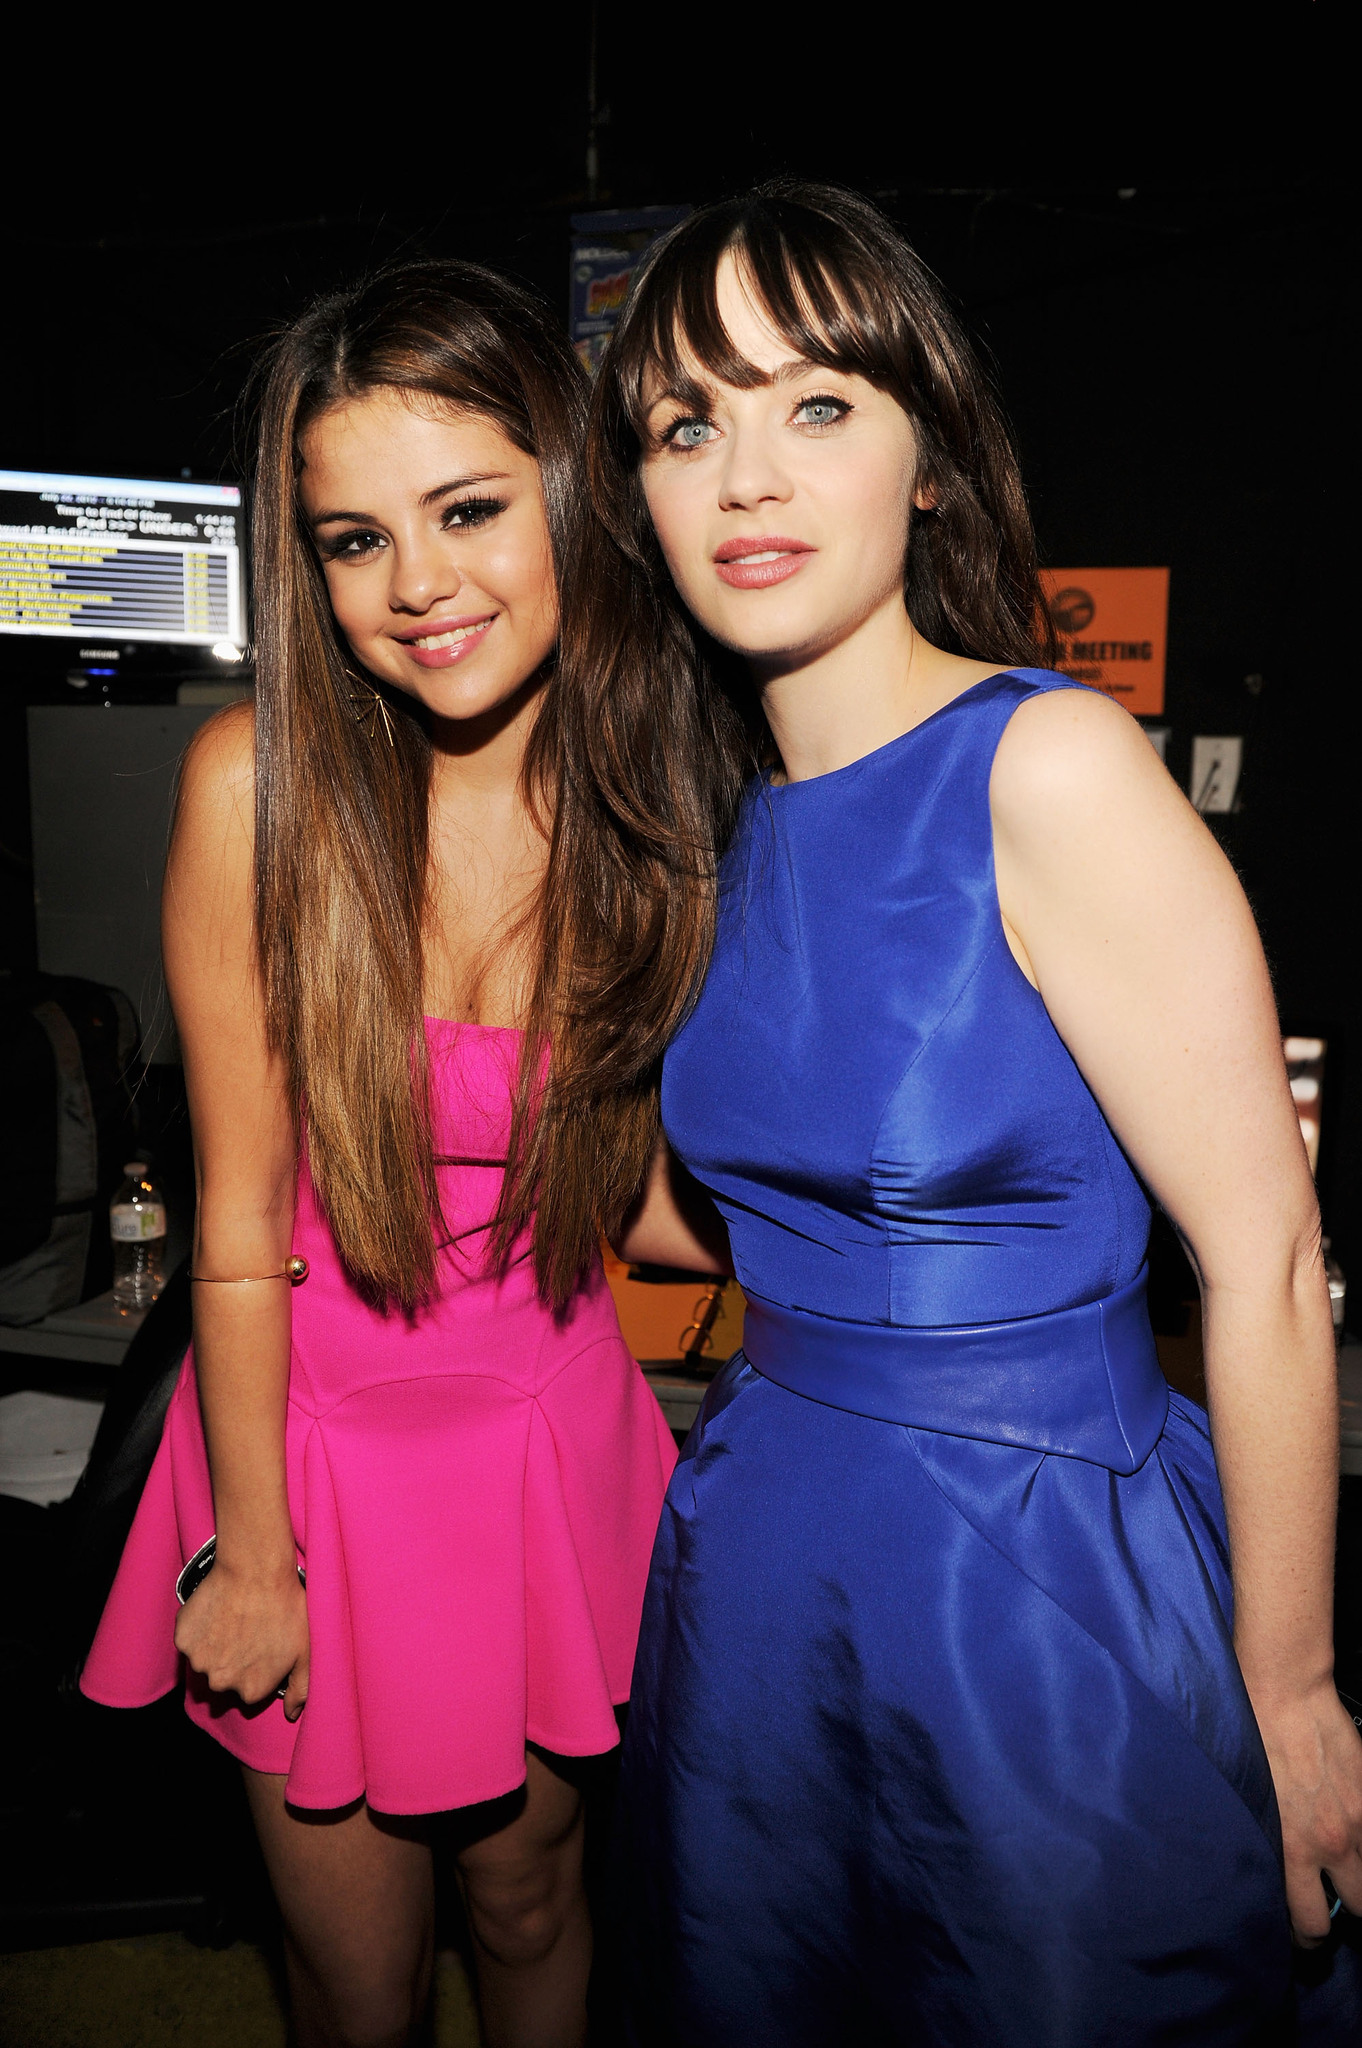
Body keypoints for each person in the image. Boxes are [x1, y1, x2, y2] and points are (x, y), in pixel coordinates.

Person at [589, 181, 1362, 2041]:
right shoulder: (705, 830)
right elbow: (692, 1225)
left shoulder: (1049, 763)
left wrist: (1296, 1687)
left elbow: (1260, 1263)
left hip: (1030, 1584)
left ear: (927, 460)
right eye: (689, 424)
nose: (748, 474)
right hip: (762, 1551)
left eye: (817, 406)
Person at [81, 261, 677, 2048]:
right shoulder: (252, 785)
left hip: (542, 1434)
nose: (416, 585)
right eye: (351, 540)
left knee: (532, 1904)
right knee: (349, 1980)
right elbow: (240, 1222)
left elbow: (656, 1202)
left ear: (570, 494)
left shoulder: (662, 800)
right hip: (303, 1450)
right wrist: (252, 1555)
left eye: (470, 511)